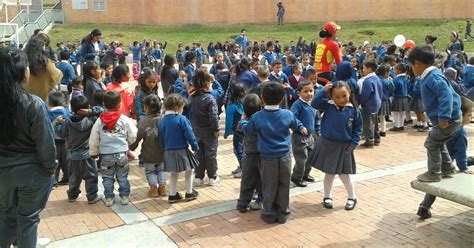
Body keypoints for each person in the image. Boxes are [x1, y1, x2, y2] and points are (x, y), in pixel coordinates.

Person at [0, 48, 56, 248]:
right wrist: (50, 171)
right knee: (28, 220)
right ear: (23, 72)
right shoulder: (33, 104)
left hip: (3, 173)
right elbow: (46, 145)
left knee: (7, 218)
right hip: (32, 172)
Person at [240, 82, 307, 224]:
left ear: (262, 98)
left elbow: (248, 130)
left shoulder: (258, 116)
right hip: (285, 157)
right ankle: (283, 213)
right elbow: (296, 123)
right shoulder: (287, 114)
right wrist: (301, 127)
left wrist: (243, 122)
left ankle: (269, 213)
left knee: (269, 186)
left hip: (267, 158)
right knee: (284, 185)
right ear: (282, 98)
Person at [408, 45, 462, 182]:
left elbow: (446, 96)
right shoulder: (430, 75)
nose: (412, 70)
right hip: (449, 118)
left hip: (449, 119)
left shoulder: (433, 77)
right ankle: (448, 168)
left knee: (431, 143)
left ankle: (434, 172)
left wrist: (444, 117)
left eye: (411, 66)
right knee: (437, 141)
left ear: (418, 64)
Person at [309, 81, 362, 210]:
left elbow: (358, 129)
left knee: (345, 175)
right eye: (337, 97)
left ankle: (352, 197)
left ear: (350, 92)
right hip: (328, 144)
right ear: (331, 97)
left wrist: (354, 143)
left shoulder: (354, 110)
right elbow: (314, 103)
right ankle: (327, 196)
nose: (341, 99)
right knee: (329, 174)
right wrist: (323, 91)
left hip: (345, 146)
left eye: (344, 95)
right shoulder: (328, 106)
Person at [89, 91, 138, 207]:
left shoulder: (99, 121)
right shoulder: (124, 119)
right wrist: (128, 143)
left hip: (106, 155)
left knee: (107, 177)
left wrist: (94, 152)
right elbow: (133, 133)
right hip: (122, 154)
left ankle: (109, 198)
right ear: (119, 105)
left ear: (104, 104)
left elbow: (94, 138)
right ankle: (125, 196)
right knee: (122, 176)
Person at [55, 95, 101, 204]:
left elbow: (62, 134)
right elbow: (103, 112)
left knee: (74, 177)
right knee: (91, 177)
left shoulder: (67, 121)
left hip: (72, 155)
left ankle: (72, 195)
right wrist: (90, 111)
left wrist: (58, 123)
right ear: (87, 107)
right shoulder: (91, 120)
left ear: (72, 108)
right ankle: (91, 196)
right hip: (87, 155)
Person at [160, 94, 200, 203]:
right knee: (189, 170)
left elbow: (160, 137)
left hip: (168, 150)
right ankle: (189, 192)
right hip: (182, 149)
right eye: (182, 107)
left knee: (174, 173)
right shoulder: (181, 119)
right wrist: (195, 146)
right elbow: (189, 134)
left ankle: (172, 194)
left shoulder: (162, 121)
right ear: (177, 107)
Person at [129, 95, 167, 198]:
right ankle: (162, 187)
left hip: (148, 153)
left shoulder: (143, 121)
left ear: (146, 108)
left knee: (150, 171)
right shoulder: (164, 119)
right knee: (162, 170)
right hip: (163, 152)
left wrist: (132, 147)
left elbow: (137, 136)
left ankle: (154, 188)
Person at [189, 71, 221, 186]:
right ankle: (212, 177)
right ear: (207, 83)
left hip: (196, 129)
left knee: (199, 153)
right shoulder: (209, 98)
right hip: (209, 131)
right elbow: (213, 116)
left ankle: (198, 177)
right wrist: (216, 129)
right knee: (210, 154)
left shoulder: (192, 97)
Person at [236, 93, 263, 213]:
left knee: (247, 181)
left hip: (249, 155)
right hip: (263, 155)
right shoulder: (262, 119)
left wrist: (242, 120)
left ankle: (242, 204)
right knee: (262, 180)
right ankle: (259, 201)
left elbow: (240, 133)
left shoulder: (244, 122)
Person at [290, 81, 319, 187]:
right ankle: (296, 177)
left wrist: (318, 130)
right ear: (298, 93)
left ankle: (305, 174)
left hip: (310, 136)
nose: (309, 94)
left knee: (310, 158)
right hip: (299, 137)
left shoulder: (312, 104)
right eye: (305, 91)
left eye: (311, 91)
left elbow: (317, 118)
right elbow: (292, 117)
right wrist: (300, 126)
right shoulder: (297, 105)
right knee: (301, 159)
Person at [24, 33, 63, 102]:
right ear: (41, 46)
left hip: (25, 97)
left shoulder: (22, 59)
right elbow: (56, 76)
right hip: (41, 97)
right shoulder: (45, 62)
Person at [47, 91, 71, 187]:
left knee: (55, 161)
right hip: (66, 141)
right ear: (63, 103)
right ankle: (67, 178)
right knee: (66, 161)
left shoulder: (48, 113)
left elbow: (47, 126)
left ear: (49, 103)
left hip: (54, 141)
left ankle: (54, 181)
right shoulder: (67, 112)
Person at [357, 59, 382, 148]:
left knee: (368, 124)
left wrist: (358, 102)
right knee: (375, 123)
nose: (363, 70)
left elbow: (365, 95)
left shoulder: (367, 80)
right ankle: (377, 139)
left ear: (370, 69)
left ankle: (369, 141)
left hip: (368, 105)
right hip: (376, 104)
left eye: (364, 68)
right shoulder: (377, 78)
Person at [224, 83, 245, 178]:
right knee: (243, 149)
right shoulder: (245, 103)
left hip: (237, 132)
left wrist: (226, 133)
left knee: (238, 150)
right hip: (246, 130)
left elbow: (229, 122)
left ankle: (244, 169)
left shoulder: (231, 107)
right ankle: (242, 166)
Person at [389, 63, 410, 132]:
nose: (394, 71)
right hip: (405, 97)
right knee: (402, 113)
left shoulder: (396, 79)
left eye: (395, 69)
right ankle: (401, 125)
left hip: (398, 97)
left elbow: (392, 88)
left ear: (399, 71)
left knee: (395, 112)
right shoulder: (406, 78)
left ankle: (397, 126)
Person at [376, 65, 394, 137]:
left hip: (376, 101)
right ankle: (383, 131)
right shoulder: (388, 81)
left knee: (375, 117)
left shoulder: (376, 80)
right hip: (384, 101)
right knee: (382, 117)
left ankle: (376, 131)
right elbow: (392, 90)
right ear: (386, 73)